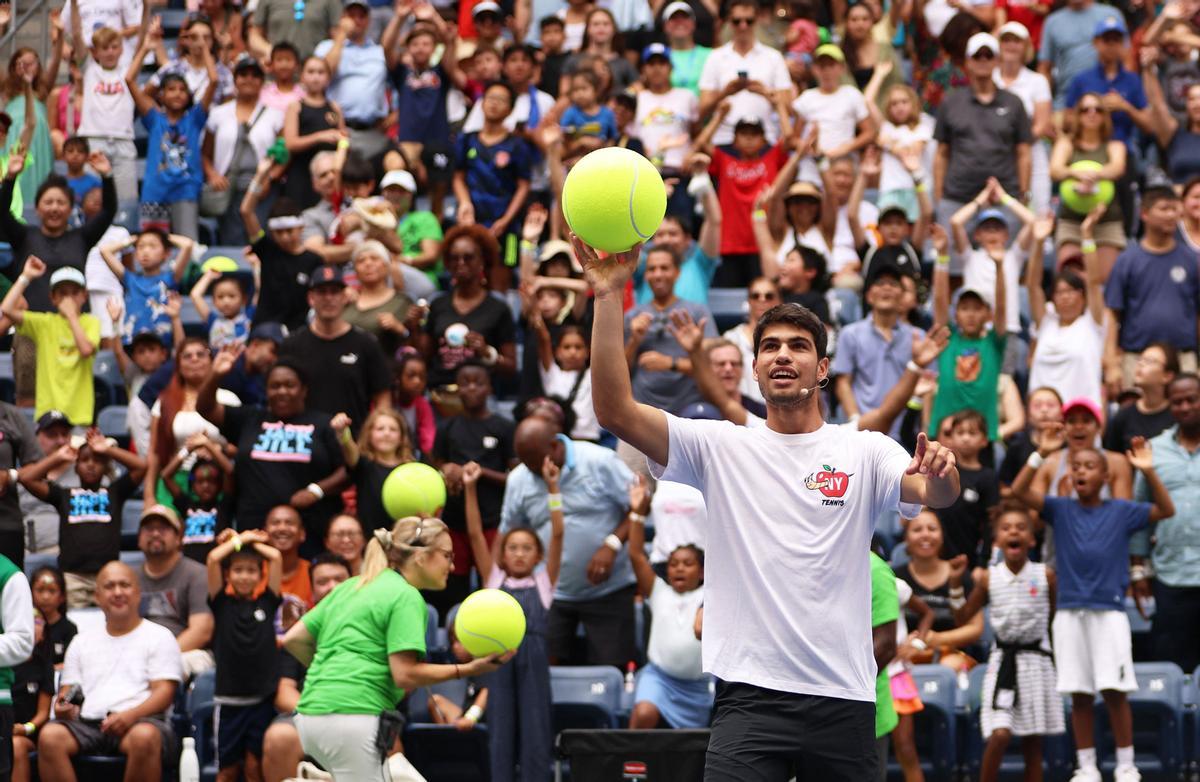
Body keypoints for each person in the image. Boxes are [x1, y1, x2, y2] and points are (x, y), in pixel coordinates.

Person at [580, 221, 960, 775]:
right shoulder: (718, 446)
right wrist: (609, 295)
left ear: (823, 369)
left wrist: (945, 473)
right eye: (771, 347)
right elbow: (614, 412)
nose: (784, 355)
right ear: (755, 368)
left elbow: (935, 493)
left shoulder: (865, 449)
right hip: (749, 700)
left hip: (844, 699)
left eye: (800, 346)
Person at [281, 516, 512, 782]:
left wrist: (335, 674)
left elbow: (294, 639)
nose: (453, 564)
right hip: (351, 718)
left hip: (311, 718)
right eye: (447, 555)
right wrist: (469, 669)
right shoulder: (407, 596)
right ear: (421, 558)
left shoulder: (351, 586)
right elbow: (404, 674)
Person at [1012, 434, 1174, 782]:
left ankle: (1126, 764)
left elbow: (1166, 509)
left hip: (1109, 611)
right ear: (1069, 476)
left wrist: (1148, 471)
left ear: (1106, 477)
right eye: (1076, 467)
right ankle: (1086, 767)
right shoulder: (1060, 507)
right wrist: (1040, 453)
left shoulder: (1122, 510)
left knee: (1114, 692)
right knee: (1080, 693)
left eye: (1089, 466)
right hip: (1070, 612)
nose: (1081, 471)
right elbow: (1019, 491)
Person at [501, 416, 639, 667]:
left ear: (555, 446)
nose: (532, 471)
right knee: (541, 672)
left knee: (609, 673)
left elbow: (641, 505)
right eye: (525, 463)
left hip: (609, 590)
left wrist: (612, 543)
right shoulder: (519, 479)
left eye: (534, 462)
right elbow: (509, 530)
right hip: (550, 594)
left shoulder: (600, 461)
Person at [950, 501, 1064, 782]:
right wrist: (954, 585)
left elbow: (1053, 619)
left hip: (1036, 661)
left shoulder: (1045, 576)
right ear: (997, 540)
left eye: (1021, 528)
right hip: (1002, 663)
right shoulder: (989, 578)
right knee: (1000, 734)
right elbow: (962, 618)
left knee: (1032, 742)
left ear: (1031, 539)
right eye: (1006, 528)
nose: (1014, 532)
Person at [37, 561, 182, 782]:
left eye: (124, 585)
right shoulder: (80, 641)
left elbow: (164, 693)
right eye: (109, 586)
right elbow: (68, 693)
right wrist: (64, 707)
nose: (117, 592)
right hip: (87, 725)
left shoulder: (160, 636)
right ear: (97, 596)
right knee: (50, 736)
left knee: (144, 737)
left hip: (143, 721)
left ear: (138, 593)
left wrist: (130, 715)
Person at [464, 458, 560, 782]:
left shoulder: (544, 583)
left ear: (538, 556)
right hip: (499, 659)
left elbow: (558, 532)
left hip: (534, 659)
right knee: (500, 733)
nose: (519, 553)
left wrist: (553, 488)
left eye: (527, 548)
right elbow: (476, 533)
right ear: (502, 555)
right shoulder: (493, 580)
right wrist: (469, 488)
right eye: (513, 548)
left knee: (536, 732)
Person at [199, 348, 348, 542]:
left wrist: (316, 490)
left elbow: (349, 469)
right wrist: (215, 375)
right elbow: (205, 408)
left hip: (309, 530)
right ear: (266, 391)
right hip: (253, 530)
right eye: (275, 386)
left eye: (289, 385)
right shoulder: (250, 419)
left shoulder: (324, 424)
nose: (282, 392)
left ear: (304, 389)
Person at [933, 32, 1031, 267]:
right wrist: (939, 197)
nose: (983, 60)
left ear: (997, 60)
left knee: (1006, 269)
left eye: (989, 55)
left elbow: (1024, 152)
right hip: (958, 198)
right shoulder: (951, 102)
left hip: (1003, 196)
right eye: (978, 56)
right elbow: (942, 153)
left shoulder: (1013, 102)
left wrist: (1022, 194)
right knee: (952, 269)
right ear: (967, 61)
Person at [18, 429, 145, 608]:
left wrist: (107, 449)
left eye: (97, 460)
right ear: (76, 467)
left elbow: (142, 466)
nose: (91, 465)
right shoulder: (64, 495)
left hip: (107, 578)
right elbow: (26, 478)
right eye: (84, 460)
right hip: (72, 577)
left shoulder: (114, 493)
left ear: (105, 466)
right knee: (77, 629)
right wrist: (59, 456)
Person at [1130, 374, 1200, 672]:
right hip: (1170, 574)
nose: (1185, 406)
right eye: (1177, 401)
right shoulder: (1153, 450)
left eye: (1191, 400)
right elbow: (1141, 513)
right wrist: (1138, 569)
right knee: (1173, 665)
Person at [626, 478, 709, 730]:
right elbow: (636, 554)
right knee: (643, 713)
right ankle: (627, 769)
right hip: (660, 679)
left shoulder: (713, 593)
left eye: (687, 563)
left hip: (701, 687)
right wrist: (638, 514)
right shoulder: (658, 589)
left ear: (703, 571)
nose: (679, 569)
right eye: (673, 564)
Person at [431, 362, 515, 610]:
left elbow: (515, 477)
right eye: (464, 383)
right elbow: (438, 468)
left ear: (489, 388)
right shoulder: (447, 427)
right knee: (453, 589)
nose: (471, 389)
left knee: (490, 586)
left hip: (491, 521)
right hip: (455, 522)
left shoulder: (503, 427)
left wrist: (479, 472)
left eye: (478, 383)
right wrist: (447, 472)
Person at [261, 552, 350, 782]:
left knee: (386, 740)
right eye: (322, 582)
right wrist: (318, 716)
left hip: (361, 710)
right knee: (279, 737)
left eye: (339, 579)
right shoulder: (301, 630)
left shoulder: (374, 623)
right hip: (308, 713)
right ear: (312, 592)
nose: (332, 587)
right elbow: (284, 690)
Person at [125, 21, 218, 239]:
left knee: (188, 244)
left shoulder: (195, 118)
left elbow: (213, 80)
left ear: (188, 95)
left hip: (186, 191)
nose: (177, 94)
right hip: (155, 191)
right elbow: (129, 80)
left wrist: (203, 48)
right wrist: (146, 48)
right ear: (161, 95)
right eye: (171, 89)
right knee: (152, 244)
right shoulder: (154, 119)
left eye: (182, 90)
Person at [1104, 186, 1200, 391]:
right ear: (1145, 213)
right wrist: (1111, 362)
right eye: (1164, 209)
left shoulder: (1192, 261)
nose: (1171, 215)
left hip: (1184, 357)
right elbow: (1112, 314)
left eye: (1175, 209)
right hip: (1137, 358)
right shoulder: (1127, 260)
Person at [206, 528, 282, 782]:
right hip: (230, 702)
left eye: (251, 571)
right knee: (227, 771)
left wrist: (249, 542)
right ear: (228, 575)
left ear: (260, 575)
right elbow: (214, 559)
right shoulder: (221, 603)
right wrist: (242, 540)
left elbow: (276, 557)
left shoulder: (268, 602)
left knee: (254, 767)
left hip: (262, 699)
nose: (244, 576)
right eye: (238, 570)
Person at [278, 265, 392, 432]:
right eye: (322, 292)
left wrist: (374, 436)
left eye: (334, 291)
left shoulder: (366, 344)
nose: (328, 298)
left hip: (354, 442)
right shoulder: (292, 344)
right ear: (311, 298)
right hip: (305, 440)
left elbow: (383, 398)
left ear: (345, 297)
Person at [928, 223, 1007, 443]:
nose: (971, 314)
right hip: (945, 434)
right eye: (964, 308)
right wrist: (942, 257)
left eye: (977, 308)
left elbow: (1002, 306)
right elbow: (940, 301)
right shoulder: (948, 339)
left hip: (982, 437)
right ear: (956, 315)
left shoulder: (994, 343)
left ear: (987, 314)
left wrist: (1000, 267)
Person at [1, 260, 100, 428]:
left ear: (84, 296)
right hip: (47, 415)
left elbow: (86, 349)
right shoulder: (45, 323)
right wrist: (26, 277)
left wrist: (72, 317)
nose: (68, 299)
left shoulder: (91, 322)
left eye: (75, 293)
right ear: (53, 298)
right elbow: (7, 309)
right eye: (62, 293)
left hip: (79, 415)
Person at [625, 245, 717, 420]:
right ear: (645, 275)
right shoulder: (633, 316)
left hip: (689, 410)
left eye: (664, 268)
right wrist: (634, 341)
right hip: (641, 411)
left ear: (677, 273)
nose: (658, 274)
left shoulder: (697, 312)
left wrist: (670, 363)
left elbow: (712, 368)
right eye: (652, 269)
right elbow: (619, 372)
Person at [831, 263, 922, 440]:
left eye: (894, 284)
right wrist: (855, 421)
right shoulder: (850, 333)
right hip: (862, 430)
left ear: (903, 297)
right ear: (869, 296)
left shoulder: (918, 337)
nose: (886, 288)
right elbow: (843, 383)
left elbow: (925, 386)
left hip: (905, 433)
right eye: (880, 283)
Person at [419, 225, 518, 387]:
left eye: (468, 257)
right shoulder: (438, 304)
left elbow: (511, 367)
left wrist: (487, 352)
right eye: (454, 258)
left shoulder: (498, 308)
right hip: (439, 395)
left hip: (479, 396)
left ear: (482, 261)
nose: (460, 263)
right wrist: (415, 328)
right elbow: (425, 356)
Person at [1026, 210, 1106, 408]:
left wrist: (1087, 235)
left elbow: (1094, 282)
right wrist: (1038, 242)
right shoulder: (1047, 321)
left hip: (1080, 419)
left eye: (1071, 291)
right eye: (1059, 293)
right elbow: (1032, 285)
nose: (1065, 298)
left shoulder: (1092, 322)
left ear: (1082, 295)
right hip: (1043, 415)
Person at [202, 57, 285, 246]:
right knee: (231, 240)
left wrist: (269, 178)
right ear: (235, 79)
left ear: (262, 81)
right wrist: (212, 174)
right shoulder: (218, 113)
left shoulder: (275, 115)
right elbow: (205, 153)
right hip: (227, 188)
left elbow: (284, 155)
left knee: (261, 240)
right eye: (243, 75)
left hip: (262, 189)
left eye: (255, 75)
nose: (249, 79)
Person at [894, 511, 984, 673]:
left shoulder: (959, 574)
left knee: (948, 668)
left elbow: (975, 627)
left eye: (932, 529)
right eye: (917, 530)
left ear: (942, 536)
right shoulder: (895, 577)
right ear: (906, 538)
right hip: (904, 652)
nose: (925, 535)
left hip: (951, 654)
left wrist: (937, 639)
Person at [1049, 91, 1126, 278]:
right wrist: (1074, 172)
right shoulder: (1066, 144)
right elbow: (1055, 170)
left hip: (1106, 221)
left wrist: (1093, 174)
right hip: (1071, 220)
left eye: (1098, 109)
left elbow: (1117, 168)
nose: (1092, 113)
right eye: (1085, 110)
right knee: (1071, 281)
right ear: (1078, 115)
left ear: (1104, 116)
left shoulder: (1114, 146)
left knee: (1104, 281)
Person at [697, 0, 792, 147]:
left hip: (764, 139)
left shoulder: (774, 57)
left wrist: (766, 93)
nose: (743, 26)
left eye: (749, 21)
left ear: (758, 20)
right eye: (737, 21)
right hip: (724, 139)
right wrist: (725, 93)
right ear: (729, 21)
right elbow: (702, 111)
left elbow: (788, 108)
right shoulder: (715, 57)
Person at [136, 504, 216, 678]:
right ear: (139, 538)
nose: (155, 533)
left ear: (179, 538)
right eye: (149, 529)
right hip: (139, 655)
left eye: (163, 528)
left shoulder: (198, 574)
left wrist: (158, 658)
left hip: (186, 653)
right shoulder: (129, 578)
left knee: (170, 667)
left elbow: (201, 632)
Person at [314, 2, 390, 163]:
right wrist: (341, 35)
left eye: (361, 16)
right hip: (335, 128)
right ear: (342, 18)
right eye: (351, 15)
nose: (356, 20)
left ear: (368, 20)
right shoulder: (327, 47)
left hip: (372, 131)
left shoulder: (379, 52)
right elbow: (325, 73)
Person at [98, 229, 194, 349]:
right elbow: (104, 251)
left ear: (166, 254)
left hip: (161, 345)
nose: (145, 251)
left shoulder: (170, 278)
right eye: (141, 247)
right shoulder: (130, 279)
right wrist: (130, 240)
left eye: (153, 246)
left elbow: (188, 245)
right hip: (132, 344)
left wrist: (163, 236)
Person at [333, 408, 413, 535]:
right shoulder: (364, 464)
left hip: (403, 539)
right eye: (380, 429)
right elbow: (350, 450)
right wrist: (343, 434)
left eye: (393, 429)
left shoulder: (411, 469)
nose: (386, 433)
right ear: (369, 434)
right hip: (371, 539)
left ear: (402, 437)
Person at [281, 56, 345, 210]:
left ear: (328, 78)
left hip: (330, 178)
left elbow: (343, 138)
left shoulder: (334, 107)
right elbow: (290, 143)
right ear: (302, 76)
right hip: (301, 176)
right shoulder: (296, 106)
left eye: (321, 72)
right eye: (311, 72)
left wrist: (343, 142)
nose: (316, 77)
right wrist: (319, 136)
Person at [340, 240, 419, 359]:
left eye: (375, 258)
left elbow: (415, 345)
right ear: (355, 271)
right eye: (361, 260)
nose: (368, 264)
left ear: (387, 266)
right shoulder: (346, 301)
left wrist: (400, 330)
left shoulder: (402, 302)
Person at [1104, 343, 1179, 453]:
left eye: (1149, 361)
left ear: (1167, 376)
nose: (1141, 364)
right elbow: (1112, 457)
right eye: (1140, 359)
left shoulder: (1178, 414)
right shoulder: (1124, 415)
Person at [1037, 0, 1114, 106]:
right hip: (1065, 100)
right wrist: (1044, 105)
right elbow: (1044, 68)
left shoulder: (1110, 14)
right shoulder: (1052, 22)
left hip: (1105, 98)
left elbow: (1127, 59)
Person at [1143, 51, 1200, 185]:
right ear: (1186, 106)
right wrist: (1148, 69)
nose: (1197, 103)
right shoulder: (1175, 136)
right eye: (1191, 99)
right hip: (1181, 201)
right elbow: (1157, 105)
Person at [0, 399, 40, 568]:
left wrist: (9, 476)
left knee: (9, 590)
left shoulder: (10, 415)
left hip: (5, 524)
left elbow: (38, 465)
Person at [248, 0, 340, 60]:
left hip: (315, 76)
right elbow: (254, 35)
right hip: (277, 75)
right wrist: (270, 51)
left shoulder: (330, 1)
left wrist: (325, 62)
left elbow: (338, 36)